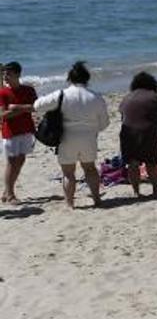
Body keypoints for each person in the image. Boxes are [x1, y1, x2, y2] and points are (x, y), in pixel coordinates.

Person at [33, 61, 109, 209]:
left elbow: (37, 106)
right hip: (88, 138)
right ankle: (97, 199)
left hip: (67, 137)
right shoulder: (96, 97)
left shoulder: (62, 94)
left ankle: (70, 203)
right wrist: (93, 129)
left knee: (68, 173)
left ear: (70, 79)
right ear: (87, 79)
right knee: (90, 169)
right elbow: (105, 123)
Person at [118, 72, 157, 198]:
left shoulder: (126, 98)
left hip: (127, 133)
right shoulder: (155, 97)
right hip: (148, 132)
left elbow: (123, 117)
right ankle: (155, 189)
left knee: (132, 164)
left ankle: (136, 192)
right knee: (151, 163)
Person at [0, 61, 37, 203]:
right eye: (3, 73)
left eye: (8, 73)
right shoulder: (3, 92)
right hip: (10, 132)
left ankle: (7, 190)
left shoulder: (29, 90)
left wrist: (16, 108)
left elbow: (35, 107)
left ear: (17, 74)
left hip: (27, 129)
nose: (5, 76)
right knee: (11, 162)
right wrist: (22, 109)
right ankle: (10, 195)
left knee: (21, 160)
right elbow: (3, 115)